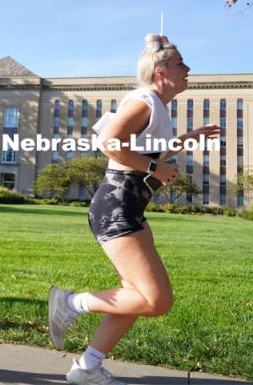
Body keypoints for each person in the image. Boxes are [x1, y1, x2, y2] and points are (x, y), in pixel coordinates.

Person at [48, 33, 220, 385]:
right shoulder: (144, 101)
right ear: (161, 72)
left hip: (127, 208)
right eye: (180, 63)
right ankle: (71, 303)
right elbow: (108, 142)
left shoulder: (156, 105)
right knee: (156, 301)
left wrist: (188, 139)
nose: (188, 69)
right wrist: (156, 169)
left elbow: (152, 150)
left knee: (135, 296)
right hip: (117, 209)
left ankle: (87, 368)